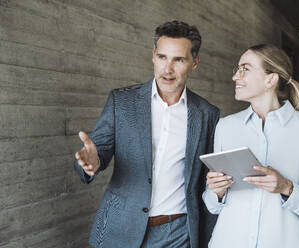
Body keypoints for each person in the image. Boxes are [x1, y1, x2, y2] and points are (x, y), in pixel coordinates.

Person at [74, 20, 220, 248]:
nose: (167, 69)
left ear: (194, 62)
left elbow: (207, 180)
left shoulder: (207, 114)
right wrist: (91, 162)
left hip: (178, 233)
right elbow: (96, 152)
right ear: (153, 56)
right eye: (162, 57)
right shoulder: (121, 102)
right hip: (121, 227)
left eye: (178, 59)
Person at [202, 44, 299, 248]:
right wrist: (217, 191)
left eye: (245, 69)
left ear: (270, 79)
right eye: (237, 69)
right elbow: (212, 205)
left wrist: (286, 187)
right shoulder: (226, 126)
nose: (236, 76)